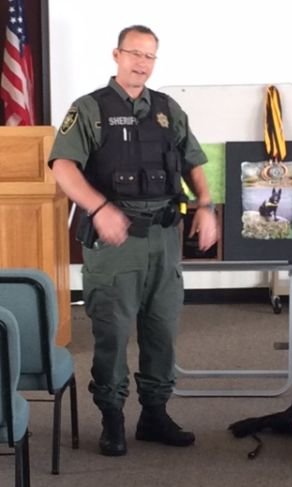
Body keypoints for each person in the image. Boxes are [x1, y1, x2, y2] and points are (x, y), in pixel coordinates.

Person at [48, 25, 217, 456]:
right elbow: (63, 166)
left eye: (150, 56)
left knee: (161, 331)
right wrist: (99, 208)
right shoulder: (89, 110)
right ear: (116, 55)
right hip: (114, 243)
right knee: (112, 333)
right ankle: (112, 420)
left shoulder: (166, 109)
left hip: (163, 237)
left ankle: (154, 415)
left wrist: (206, 205)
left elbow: (193, 159)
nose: (142, 63)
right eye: (134, 53)